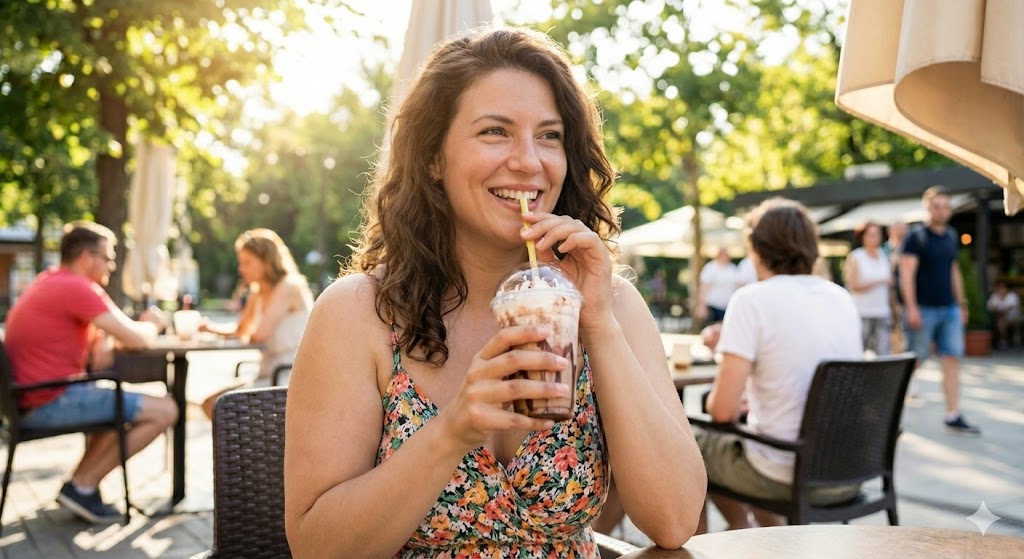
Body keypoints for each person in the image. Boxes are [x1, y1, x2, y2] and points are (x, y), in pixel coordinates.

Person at [283, 27, 706, 557]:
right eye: (494, 132)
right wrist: (453, 430)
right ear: (433, 157)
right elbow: (316, 548)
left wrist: (599, 325)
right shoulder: (359, 312)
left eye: (549, 136)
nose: (529, 161)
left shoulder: (610, 303)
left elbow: (674, 521)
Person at [695, 198, 863, 531]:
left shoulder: (751, 300)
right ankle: (762, 540)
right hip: (849, 472)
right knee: (744, 440)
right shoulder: (840, 297)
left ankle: (732, 536)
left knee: (688, 445)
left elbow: (722, 412)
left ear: (756, 248)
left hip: (786, 474)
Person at [3, 221, 179, 523]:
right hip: (48, 400)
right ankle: (83, 486)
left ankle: (81, 486)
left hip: (29, 399)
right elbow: (137, 338)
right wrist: (153, 323)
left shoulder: (51, 281)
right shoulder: (77, 287)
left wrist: (105, 335)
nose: (111, 265)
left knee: (117, 408)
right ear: (86, 257)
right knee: (165, 410)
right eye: (107, 257)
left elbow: (98, 358)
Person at [200, 228, 313, 419]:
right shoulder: (258, 290)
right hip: (267, 372)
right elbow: (241, 331)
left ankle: (245, 439)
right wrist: (210, 329)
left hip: (288, 376)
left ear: (266, 262)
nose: (241, 269)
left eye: (247, 262)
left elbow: (259, 334)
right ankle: (238, 440)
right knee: (211, 404)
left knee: (219, 406)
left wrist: (246, 334)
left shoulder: (288, 287)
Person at [900, 186, 980, 435]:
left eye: (946, 206)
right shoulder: (916, 237)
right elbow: (906, 275)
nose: (942, 211)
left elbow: (953, 270)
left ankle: (953, 414)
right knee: (915, 360)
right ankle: (893, 414)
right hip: (923, 309)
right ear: (927, 207)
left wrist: (962, 303)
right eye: (937, 206)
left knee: (952, 359)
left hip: (949, 309)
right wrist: (912, 308)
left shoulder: (951, 236)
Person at [844, 221, 893, 355]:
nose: (874, 238)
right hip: (862, 312)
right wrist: (880, 281)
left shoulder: (883, 255)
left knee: (883, 353)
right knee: (859, 351)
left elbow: (889, 287)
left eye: (876, 235)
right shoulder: (856, 256)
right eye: (870, 235)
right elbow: (854, 285)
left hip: (882, 312)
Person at [695, 248, 738, 324]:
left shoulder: (733, 268)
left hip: (728, 306)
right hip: (712, 306)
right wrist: (701, 305)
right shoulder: (710, 268)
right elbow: (704, 288)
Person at [885, 220, 908, 352]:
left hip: (906, 297)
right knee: (892, 329)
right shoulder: (885, 250)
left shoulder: (909, 248)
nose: (901, 233)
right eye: (898, 230)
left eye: (903, 230)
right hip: (890, 297)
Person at [987, 281, 1021, 349]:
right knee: (1001, 320)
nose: (1001, 290)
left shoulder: (1012, 296)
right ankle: (1003, 340)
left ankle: (1002, 340)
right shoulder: (994, 296)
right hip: (999, 318)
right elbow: (990, 306)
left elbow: (1012, 307)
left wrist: (1000, 308)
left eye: (1003, 288)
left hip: (1012, 318)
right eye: (999, 288)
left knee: (1001, 320)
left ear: (1006, 289)